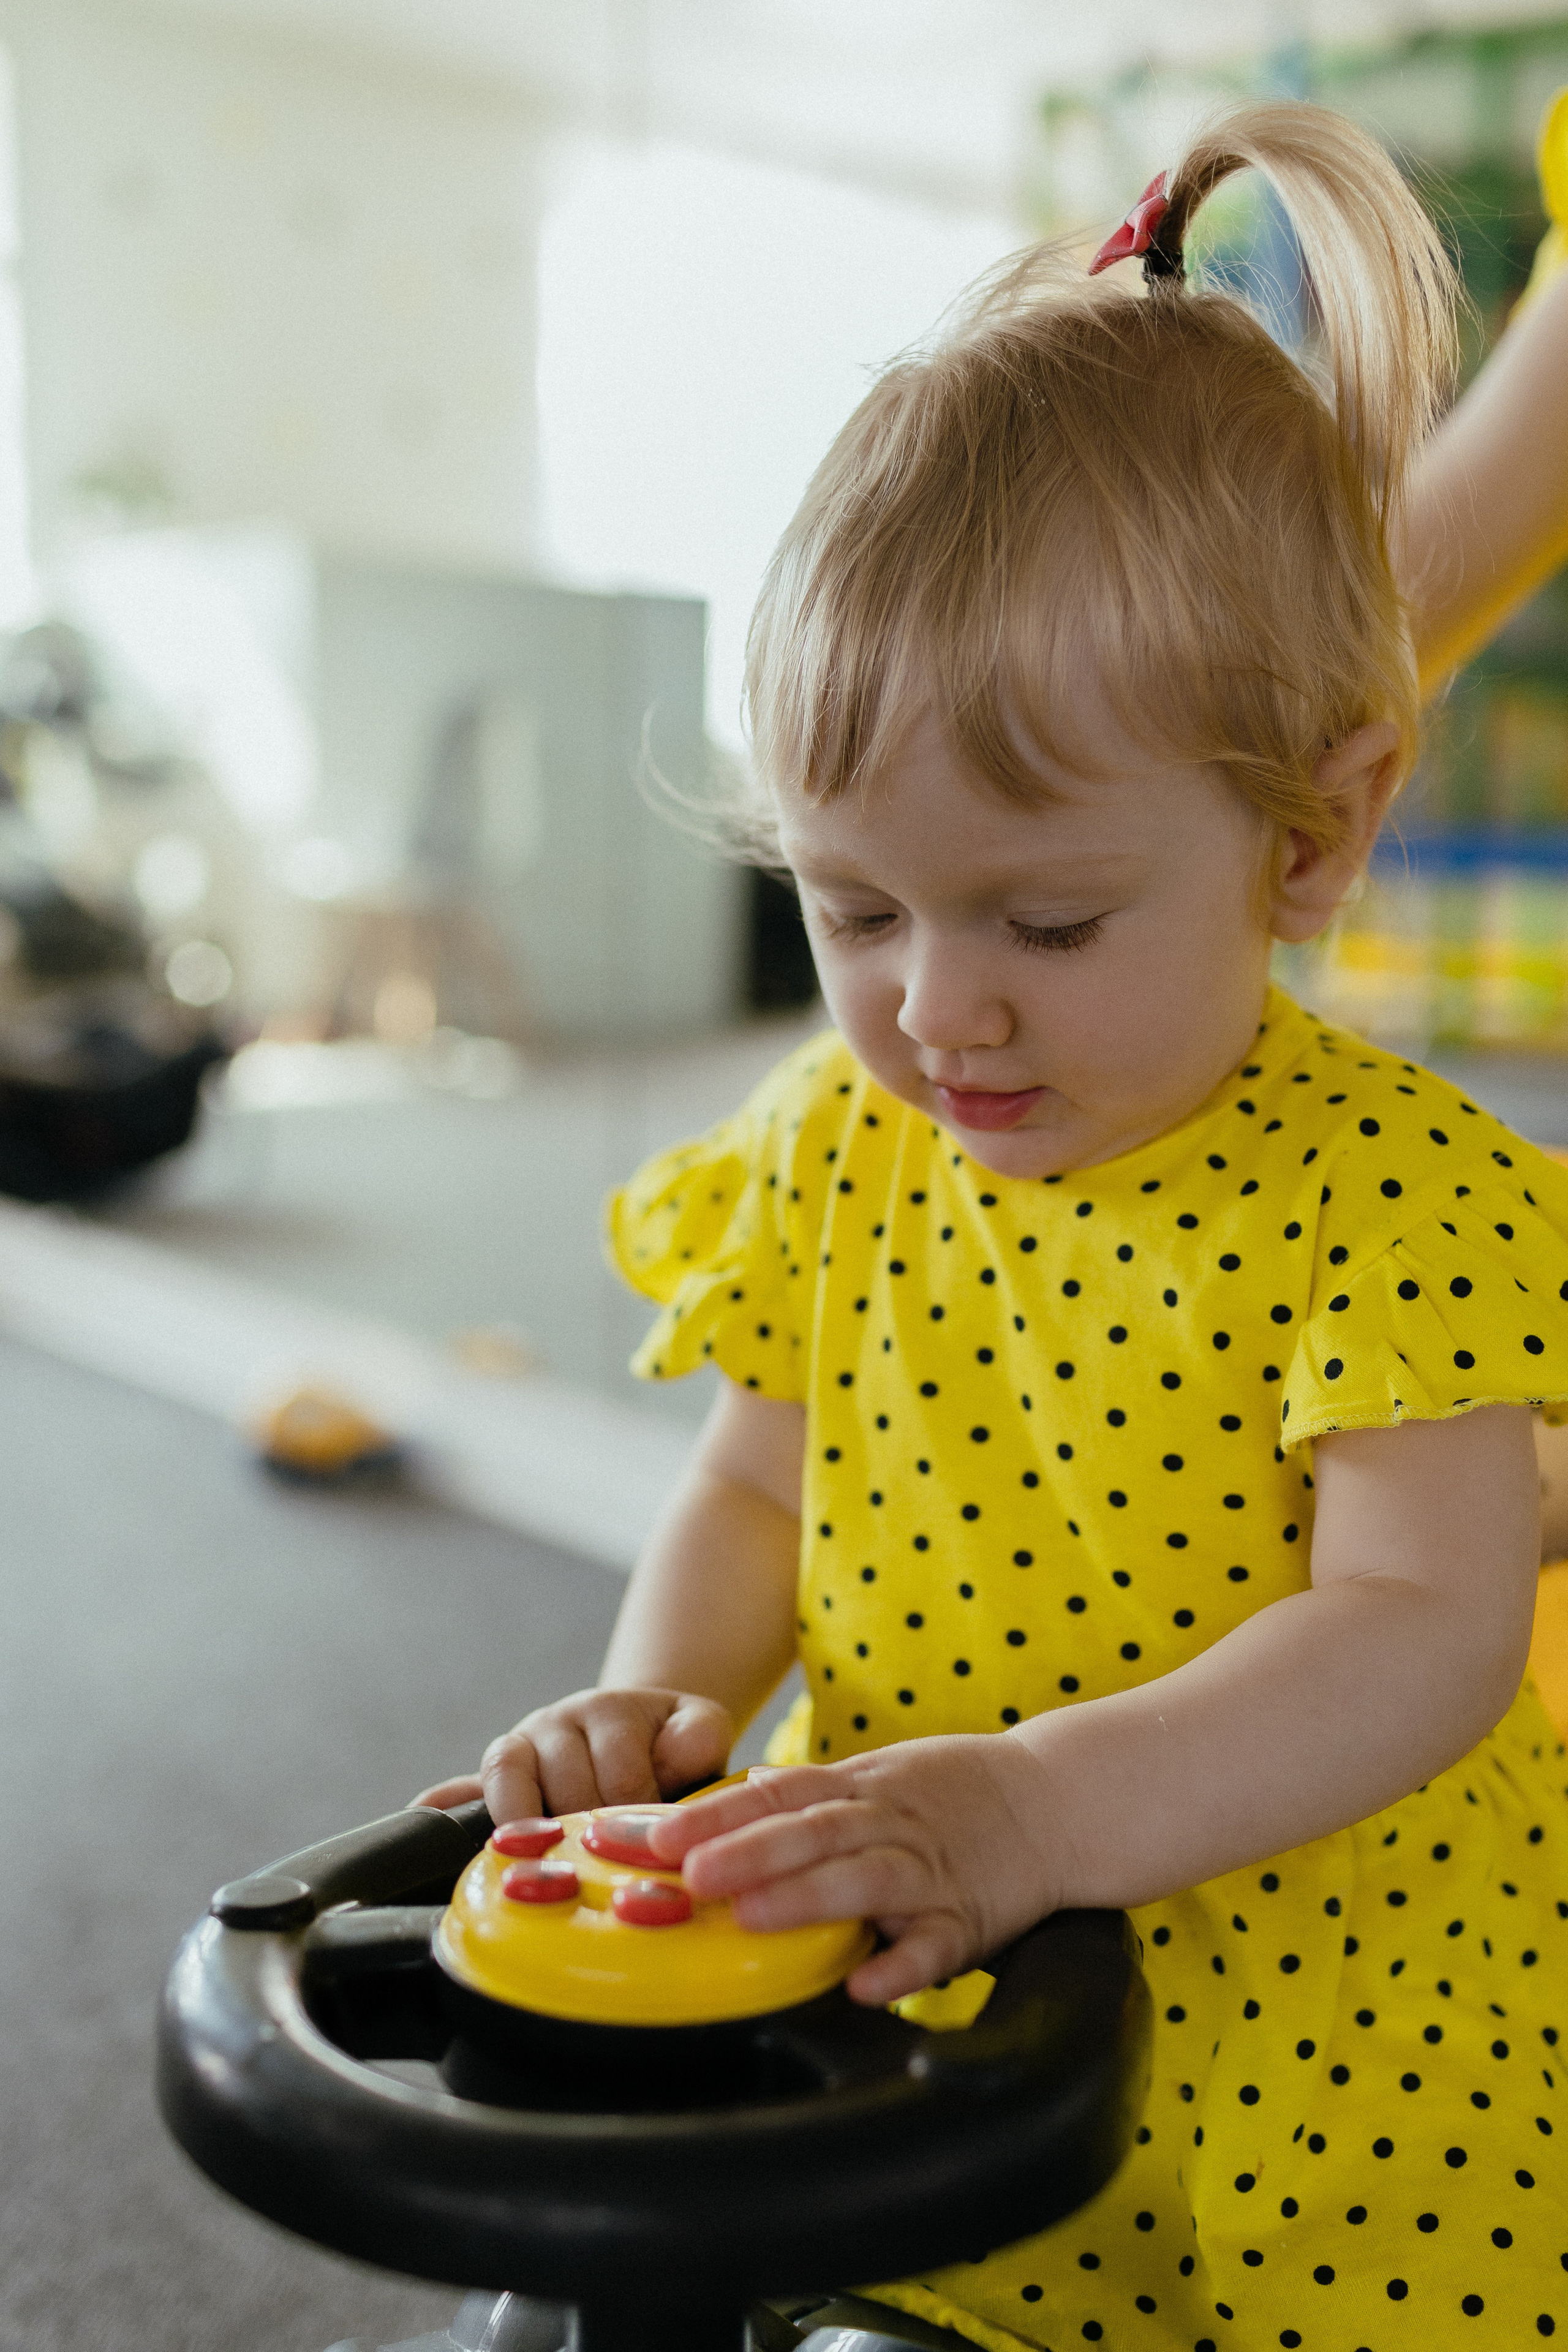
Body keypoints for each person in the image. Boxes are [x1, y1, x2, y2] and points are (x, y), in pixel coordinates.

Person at [421, 102, 1568, 2349]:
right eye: (853, 907)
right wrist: (659, 1704)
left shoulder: (1395, 1200)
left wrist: (1041, 1810)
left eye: (1045, 918)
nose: (939, 1011)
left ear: (1315, 836)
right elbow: (759, 1477)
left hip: (1322, 2053)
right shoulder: (839, 1146)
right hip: (930, 1948)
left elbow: (1425, 1623)